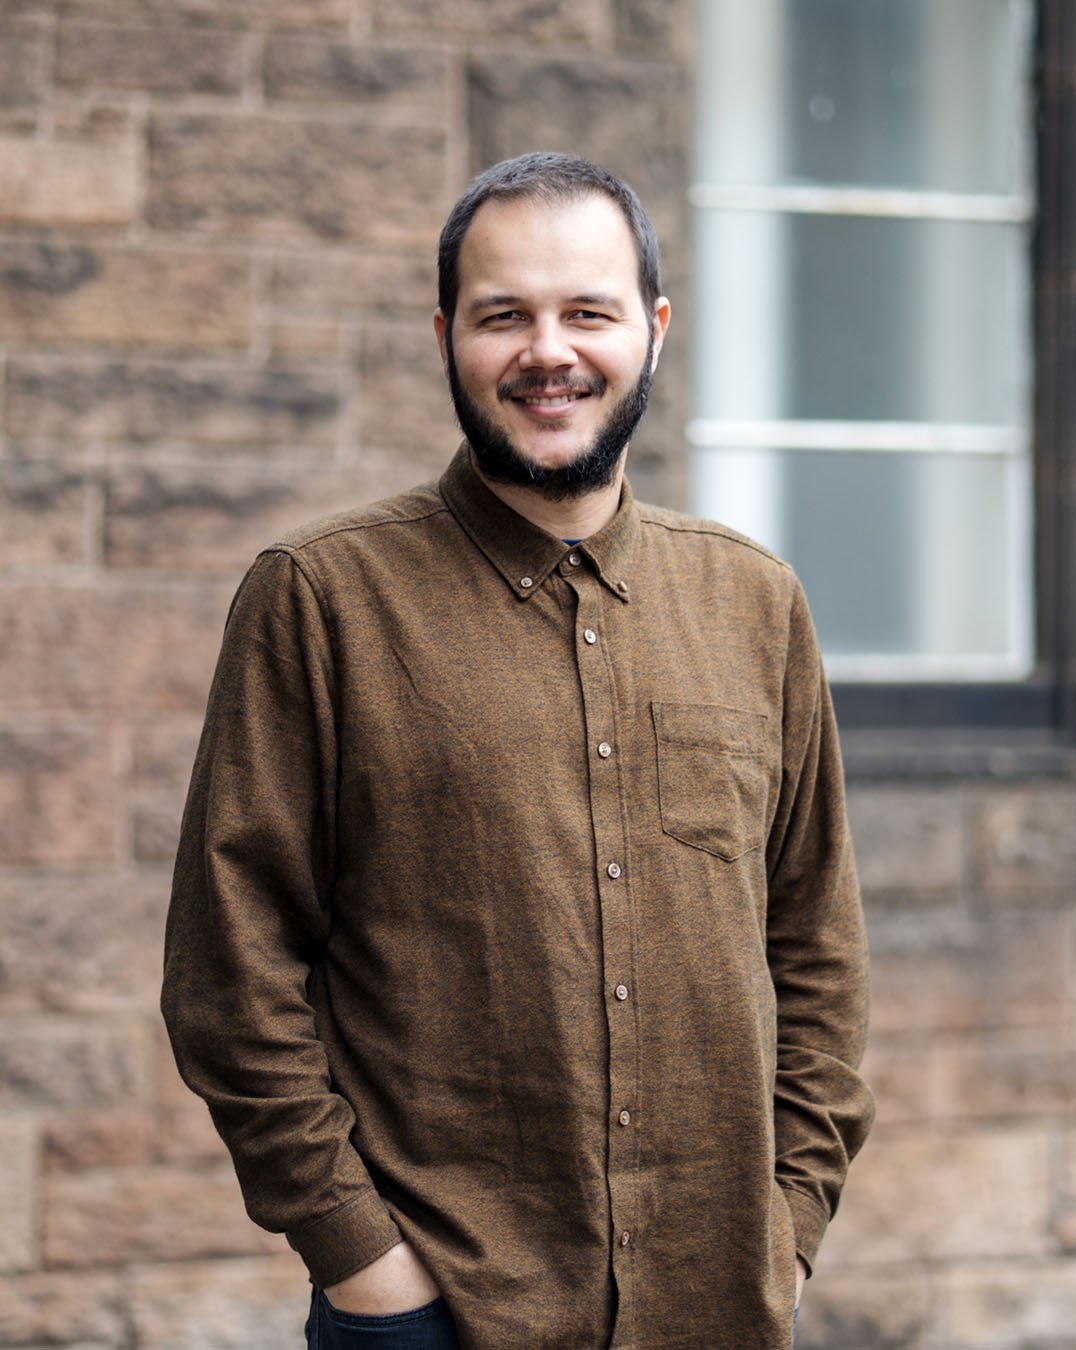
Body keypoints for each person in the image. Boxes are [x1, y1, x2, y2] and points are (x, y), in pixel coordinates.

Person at [162, 151, 874, 1350]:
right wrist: (361, 1259)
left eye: (587, 311)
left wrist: (788, 1225)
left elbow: (816, 948)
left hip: (720, 1308)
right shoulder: (321, 600)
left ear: (651, 329)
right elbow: (231, 977)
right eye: (505, 316)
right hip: (435, 1315)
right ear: (447, 334)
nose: (551, 352)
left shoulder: (755, 602)